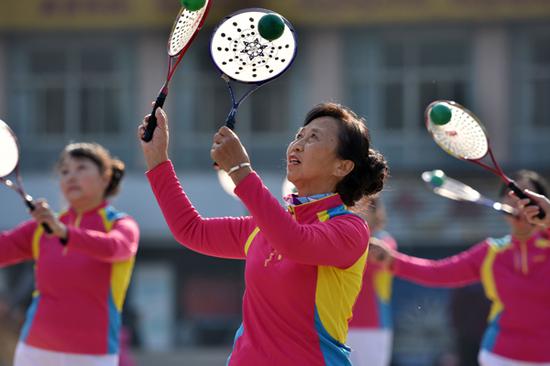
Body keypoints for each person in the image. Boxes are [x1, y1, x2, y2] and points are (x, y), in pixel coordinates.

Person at [138, 102, 388, 365]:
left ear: (343, 167)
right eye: (299, 135)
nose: (298, 144)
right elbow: (191, 230)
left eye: (313, 138)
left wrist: (240, 171)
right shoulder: (264, 226)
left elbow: (294, 243)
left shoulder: (350, 228)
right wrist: (158, 160)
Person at [370, 170, 550, 366]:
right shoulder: (491, 252)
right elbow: (438, 272)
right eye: (511, 195)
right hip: (499, 356)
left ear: (541, 203)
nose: (517, 202)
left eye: (525, 195)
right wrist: (392, 260)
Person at [0, 142, 140, 366]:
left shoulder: (121, 224)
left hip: (94, 354)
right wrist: (57, 227)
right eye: (64, 171)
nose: (71, 176)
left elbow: (116, 247)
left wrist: (63, 231)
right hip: (34, 350)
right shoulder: (40, 227)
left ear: (105, 177)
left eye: (81, 168)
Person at [347, 196, 397, 366]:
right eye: (354, 205)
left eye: (364, 206)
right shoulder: (345, 239)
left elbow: (369, 266)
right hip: (340, 323)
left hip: (374, 325)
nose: (358, 210)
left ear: (375, 212)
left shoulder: (384, 241)